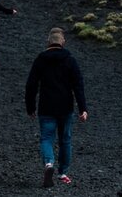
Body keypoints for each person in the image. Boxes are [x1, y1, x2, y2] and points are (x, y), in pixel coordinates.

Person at [25, 28, 88, 188]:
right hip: (65, 107)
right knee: (65, 139)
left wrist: (30, 106)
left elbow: (31, 84)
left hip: (46, 106)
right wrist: (83, 108)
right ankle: (63, 172)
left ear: (48, 42)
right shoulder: (70, 60)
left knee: (47, 138)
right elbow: (78, 86)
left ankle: (48, 164)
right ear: (63, 43)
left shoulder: (41, 59)